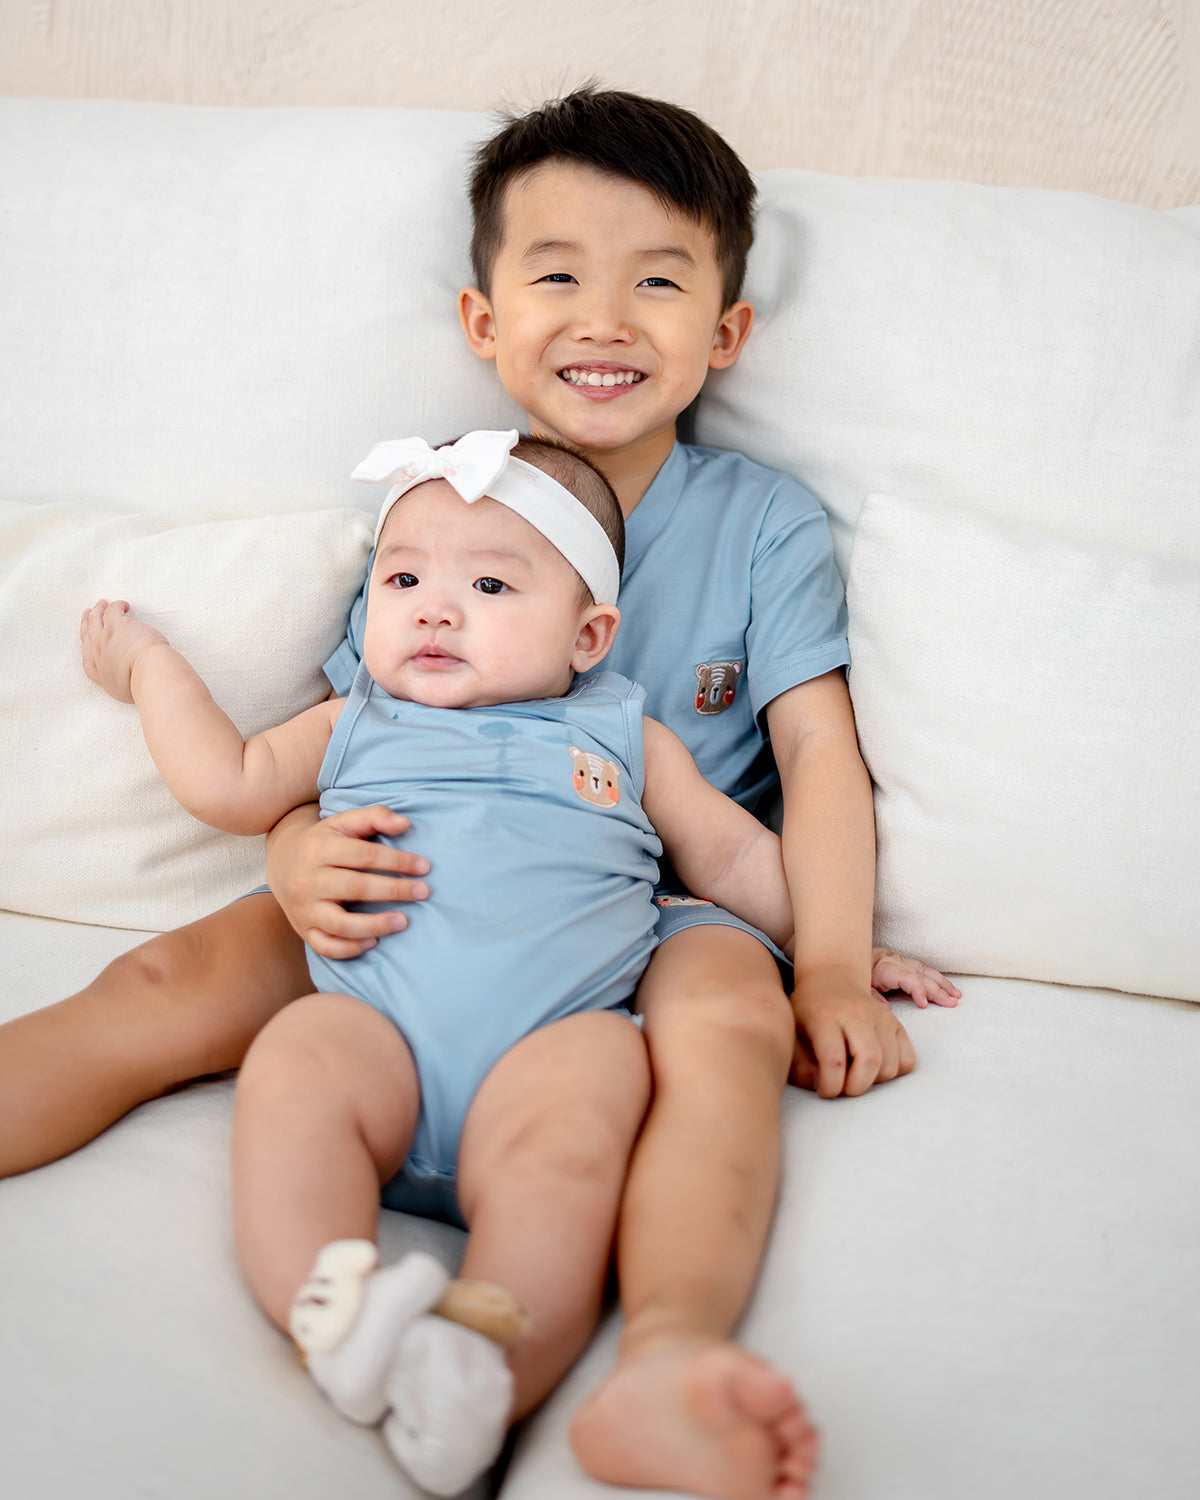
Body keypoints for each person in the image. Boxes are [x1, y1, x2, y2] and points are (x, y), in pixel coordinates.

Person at [0, 88, 959, 1499]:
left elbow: (820, 756)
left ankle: (666, 1360)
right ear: (484, 321)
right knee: (172, 976)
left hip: (656, 892)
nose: (605, 317)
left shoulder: (760, 523)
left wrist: (827, 961)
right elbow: (343, 739)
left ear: (727, 334)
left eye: (658, 281)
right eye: (557, 274)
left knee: (725, 1025)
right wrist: (292, 854)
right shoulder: (439, 507)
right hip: (409, 868)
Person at [79, 429, 815, 1495]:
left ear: (588, 633)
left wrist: (848, 939)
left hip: (547, 1051)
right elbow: (229, 780)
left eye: (487, 584)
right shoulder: (352, 722)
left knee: (592, 1099)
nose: (433, 606)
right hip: (372, 1035)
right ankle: (337, 1316)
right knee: (298, 1059)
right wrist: (151, 668)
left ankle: (482, 1369)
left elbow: (739, 854)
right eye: (406, 577)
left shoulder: (623, 735)